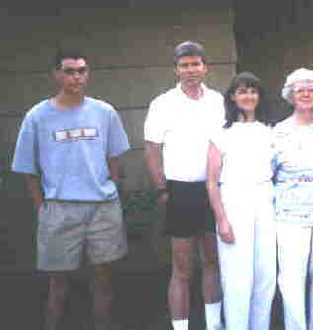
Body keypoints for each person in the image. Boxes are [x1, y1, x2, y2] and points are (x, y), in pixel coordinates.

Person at [11, 50, 130, 330]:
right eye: (69, 71)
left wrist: (109, 190)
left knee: (103, 277)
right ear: (56, 74)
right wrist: (43, 206)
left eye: (82, 71)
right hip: (59, 208)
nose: (76, 77)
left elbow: (114, 158)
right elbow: (28, 169)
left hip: (102, 207)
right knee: (58, 281)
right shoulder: (37, 117)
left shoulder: (104, 112)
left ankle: (103, 324)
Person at [144, 41, 224, 330]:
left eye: (195, 64)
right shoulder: (162, 103)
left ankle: (214, 325)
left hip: (214, 191)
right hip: (179, 191)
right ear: (176, 69)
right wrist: (162, 190)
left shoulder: (217, 100)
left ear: (205, 67)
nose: (190, 70)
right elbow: (152, 150)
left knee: (213, 262)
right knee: (182, 269)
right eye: (184, 65)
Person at [206, 72, 276, 330]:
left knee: (265, 275)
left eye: (253, 91)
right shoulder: (221, 133)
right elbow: (211, 181)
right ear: (233, 97)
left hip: (266, 202)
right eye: (242, 91)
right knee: (237, 277)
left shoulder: (270, 130)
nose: (248, 96)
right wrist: (221, 220)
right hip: (234, 203)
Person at [274, 68, 313, 330]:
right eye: (300, 90)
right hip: (290, 217)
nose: (307, 94)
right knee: (291, 279)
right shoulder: (278, 132)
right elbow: (269, 174)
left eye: (312, 89)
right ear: (291, 95)